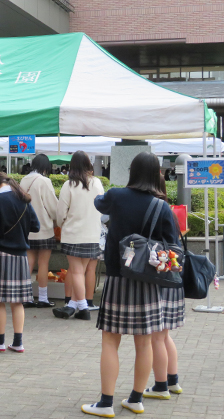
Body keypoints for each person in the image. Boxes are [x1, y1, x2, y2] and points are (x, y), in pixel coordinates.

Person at [81, 152, 178, 417]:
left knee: (110, 342)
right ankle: (136, 399)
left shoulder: (117, 196)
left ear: (131, 171)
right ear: (157, 174)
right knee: (143, 344)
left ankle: (105, 403)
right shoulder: (162, 207)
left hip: (118, 279)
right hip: (148, 282)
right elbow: (174, 248)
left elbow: (99, 202)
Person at [0, 173, 39, 353]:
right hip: (21, 256)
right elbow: (35, 226)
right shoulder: (23, 200)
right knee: (18, 302)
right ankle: (18, 342)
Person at [143, 175, 184, 400]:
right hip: (173, 277)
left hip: (161, 276)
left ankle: (160, 386)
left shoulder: (154, 209)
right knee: (165, 336)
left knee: (157, 338)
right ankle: (173, 381)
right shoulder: (168, 208)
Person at [52, 151, 104, 321]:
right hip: (93, 234)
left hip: (73, 234)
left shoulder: (69, 185)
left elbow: (60, 213)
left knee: (76, 271)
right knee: (81, 271)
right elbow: (102, 207)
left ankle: (83, 307)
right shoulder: (97, 183)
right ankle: (73, 305)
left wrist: (62, 223)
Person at [19, 155, 58, 308]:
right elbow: (53, 207)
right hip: (43, 228)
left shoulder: (23, 180)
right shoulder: (44, 181)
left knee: (28, 263)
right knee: (43, 264)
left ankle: (26, 297)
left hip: (27, 229)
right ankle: (42, 298)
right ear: (45, 167)